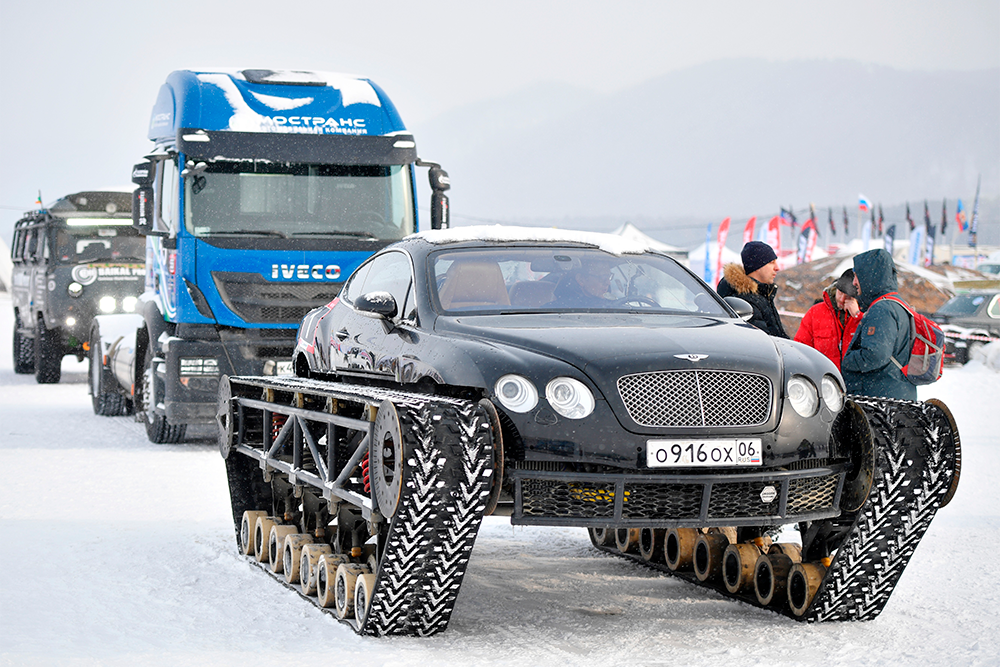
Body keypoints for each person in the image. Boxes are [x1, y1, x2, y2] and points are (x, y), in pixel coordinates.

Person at [841, 248, 916, 401]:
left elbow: (875, 355)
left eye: (857, 276)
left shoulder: (882, 310)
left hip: (880, 399)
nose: (854, 282)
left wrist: (848, 360)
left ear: (869, 277)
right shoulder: (897, 304)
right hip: (895, 393)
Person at [716, 241, 789, 338]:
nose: (777, 268)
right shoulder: (747, 299)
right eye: (771, 263)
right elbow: (762, 341)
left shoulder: (761, 295)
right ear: (757, 266)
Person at [794, 269, 863, 370]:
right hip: (823, 378)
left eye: (848, 296)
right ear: (835, 288)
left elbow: (871, 349)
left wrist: (858, 317)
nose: (842, 299)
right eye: (840, 293)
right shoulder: (815, 312)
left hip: (853, 381)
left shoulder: (866, 313)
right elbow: (800, 349)